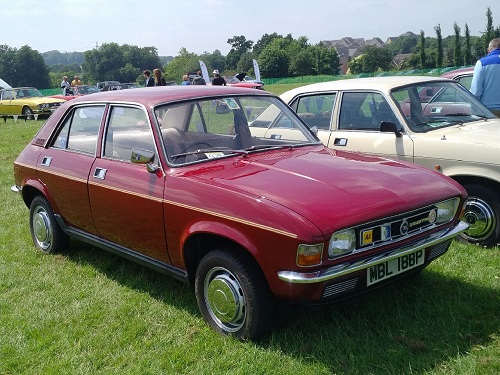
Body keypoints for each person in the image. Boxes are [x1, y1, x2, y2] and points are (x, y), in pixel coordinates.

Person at [470, 37, 500, 116]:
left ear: (489, 50)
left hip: (489, 110)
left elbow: (476, 91)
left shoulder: (482, 63)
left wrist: (473, 110)